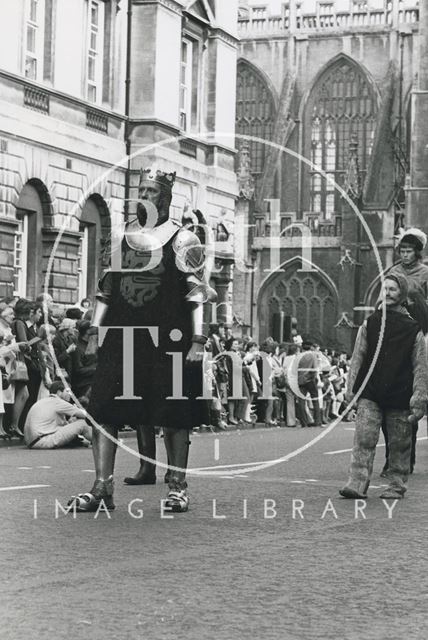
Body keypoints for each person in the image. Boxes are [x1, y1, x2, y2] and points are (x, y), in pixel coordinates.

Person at [68, 166, 216, 513]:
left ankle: (177, 486)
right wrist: (94, 331)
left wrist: (198, 340)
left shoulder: (183, 239)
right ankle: (102, 487)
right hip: (121, 337)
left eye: (151, 193)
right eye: (142, 192)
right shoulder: (121, 235)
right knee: (103, 409)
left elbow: (195, 293)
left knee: (174, 413)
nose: (144, 198)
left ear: (164, 199)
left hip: (170, 339)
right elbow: (106, 290)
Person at [340, 273, 428, 500]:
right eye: (384, 288)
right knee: (364, 438)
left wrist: (419, 399)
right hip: (370, 390)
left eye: (393, 289)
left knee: (399, 444)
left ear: (402, 294)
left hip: (400, 393)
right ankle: (357, 484)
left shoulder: (413, 329)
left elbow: (420, 366)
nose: (387, 293)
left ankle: (396, 485)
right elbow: (357, 358)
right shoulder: (370, 323)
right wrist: (351, 392)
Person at [24, 380, 91, 449]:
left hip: (33, 442)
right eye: (67, 391)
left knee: (83, 440)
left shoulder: (43, 401)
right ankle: (100, 441)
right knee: (82, 423)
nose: (70, 394)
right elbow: (87, 415)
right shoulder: (58, 402)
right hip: (44, 440)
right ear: (59, 392)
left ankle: (86, 441)